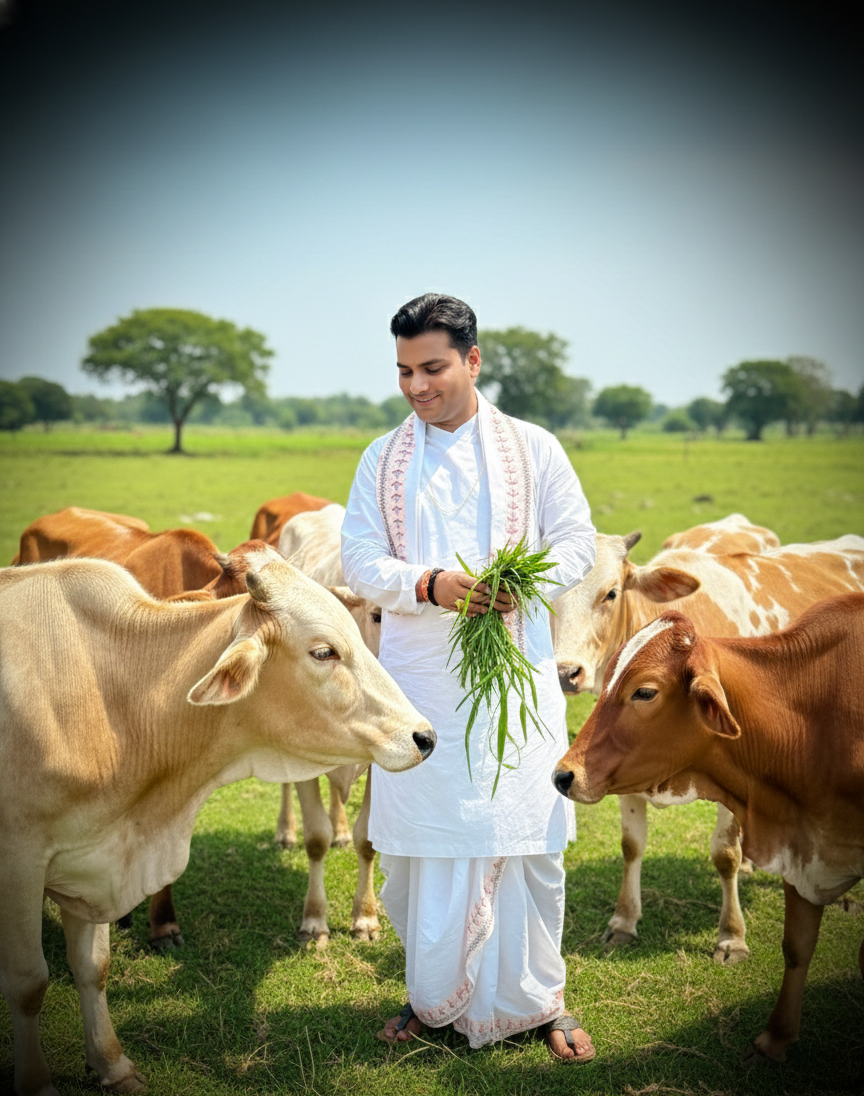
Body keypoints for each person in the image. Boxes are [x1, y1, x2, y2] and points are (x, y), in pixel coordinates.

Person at [341, 293, 597, 1062]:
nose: (416, 386)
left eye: (432, 368)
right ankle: (431, 999)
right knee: (424, 845)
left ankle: (540, 1002)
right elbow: (359, 558)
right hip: (419, 684)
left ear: (473, 361)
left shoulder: (535, 449)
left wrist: (531, 581)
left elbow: (578, 540)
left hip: (516, 678)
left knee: (525, 841)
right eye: (403, 371)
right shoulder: (382, 459)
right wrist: (430, 585)